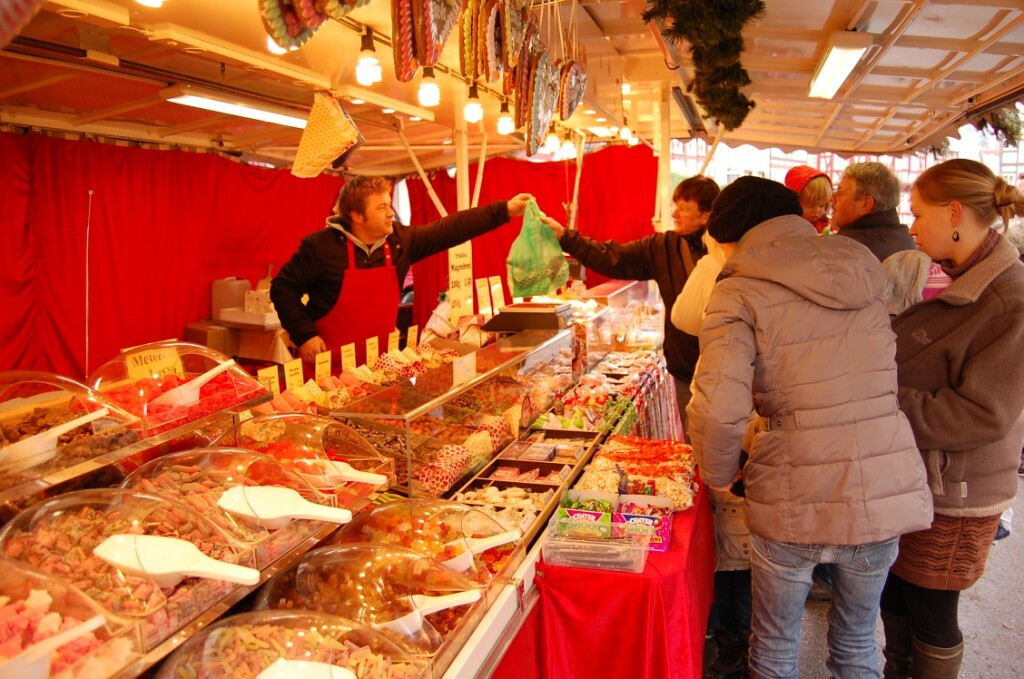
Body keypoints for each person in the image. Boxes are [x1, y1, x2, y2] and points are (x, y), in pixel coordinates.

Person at [686, 176, 932, 679]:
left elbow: (718, 406)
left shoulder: (736, 289)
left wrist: (718, 472)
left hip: (794, 487)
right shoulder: (861, 266)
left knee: (776, 646)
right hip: (880, 485)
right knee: (858, 643)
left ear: (734, 238)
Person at [880, 158, 1024, 679]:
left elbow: (984, 412)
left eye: (919, 213)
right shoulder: (967, 280)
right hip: (920, 477)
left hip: (957, 491)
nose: (912, 225)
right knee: (896, 595)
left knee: (932, 612)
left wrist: (883, 404)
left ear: (955, 212)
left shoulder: (1009, 297)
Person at [271, 176, 531, 365]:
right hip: (328, 364)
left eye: (389, 204)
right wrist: (305, 335)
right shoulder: (320, 247)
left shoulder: (398, 242)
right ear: (357, 216)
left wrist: (504, 210)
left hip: (380, 365)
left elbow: (450, 228)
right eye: (381, 207)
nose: (390, 213)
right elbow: (283, 287)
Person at [542, 176, 720, 426]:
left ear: (706, 214)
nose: (675, 213)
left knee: (724, 444)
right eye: (675, 205)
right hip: (683, 369)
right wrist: (565, 236)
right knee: (694, 440)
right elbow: (613, 257)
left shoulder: (726, 251)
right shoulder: (662, 247)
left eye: (684, 207)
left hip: (722, 368)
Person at [672, 233, 752, 678]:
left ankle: (734, 643)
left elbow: (685, 317)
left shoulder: (738, 278)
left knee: (738, 548)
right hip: (752, 437)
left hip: (742, 439)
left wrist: (718, 470)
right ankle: (736, 637)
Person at [831, 161, 915, 261]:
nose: (831, 199)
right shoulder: (906, 240)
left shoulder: (845, 249)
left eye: (840, 193)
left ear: (865, 204)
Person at [784, 165, 833, 233]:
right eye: (811, 206)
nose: (817, 211)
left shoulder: (827, 225)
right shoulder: (789, 227)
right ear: (795, 204)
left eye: (821, 205)